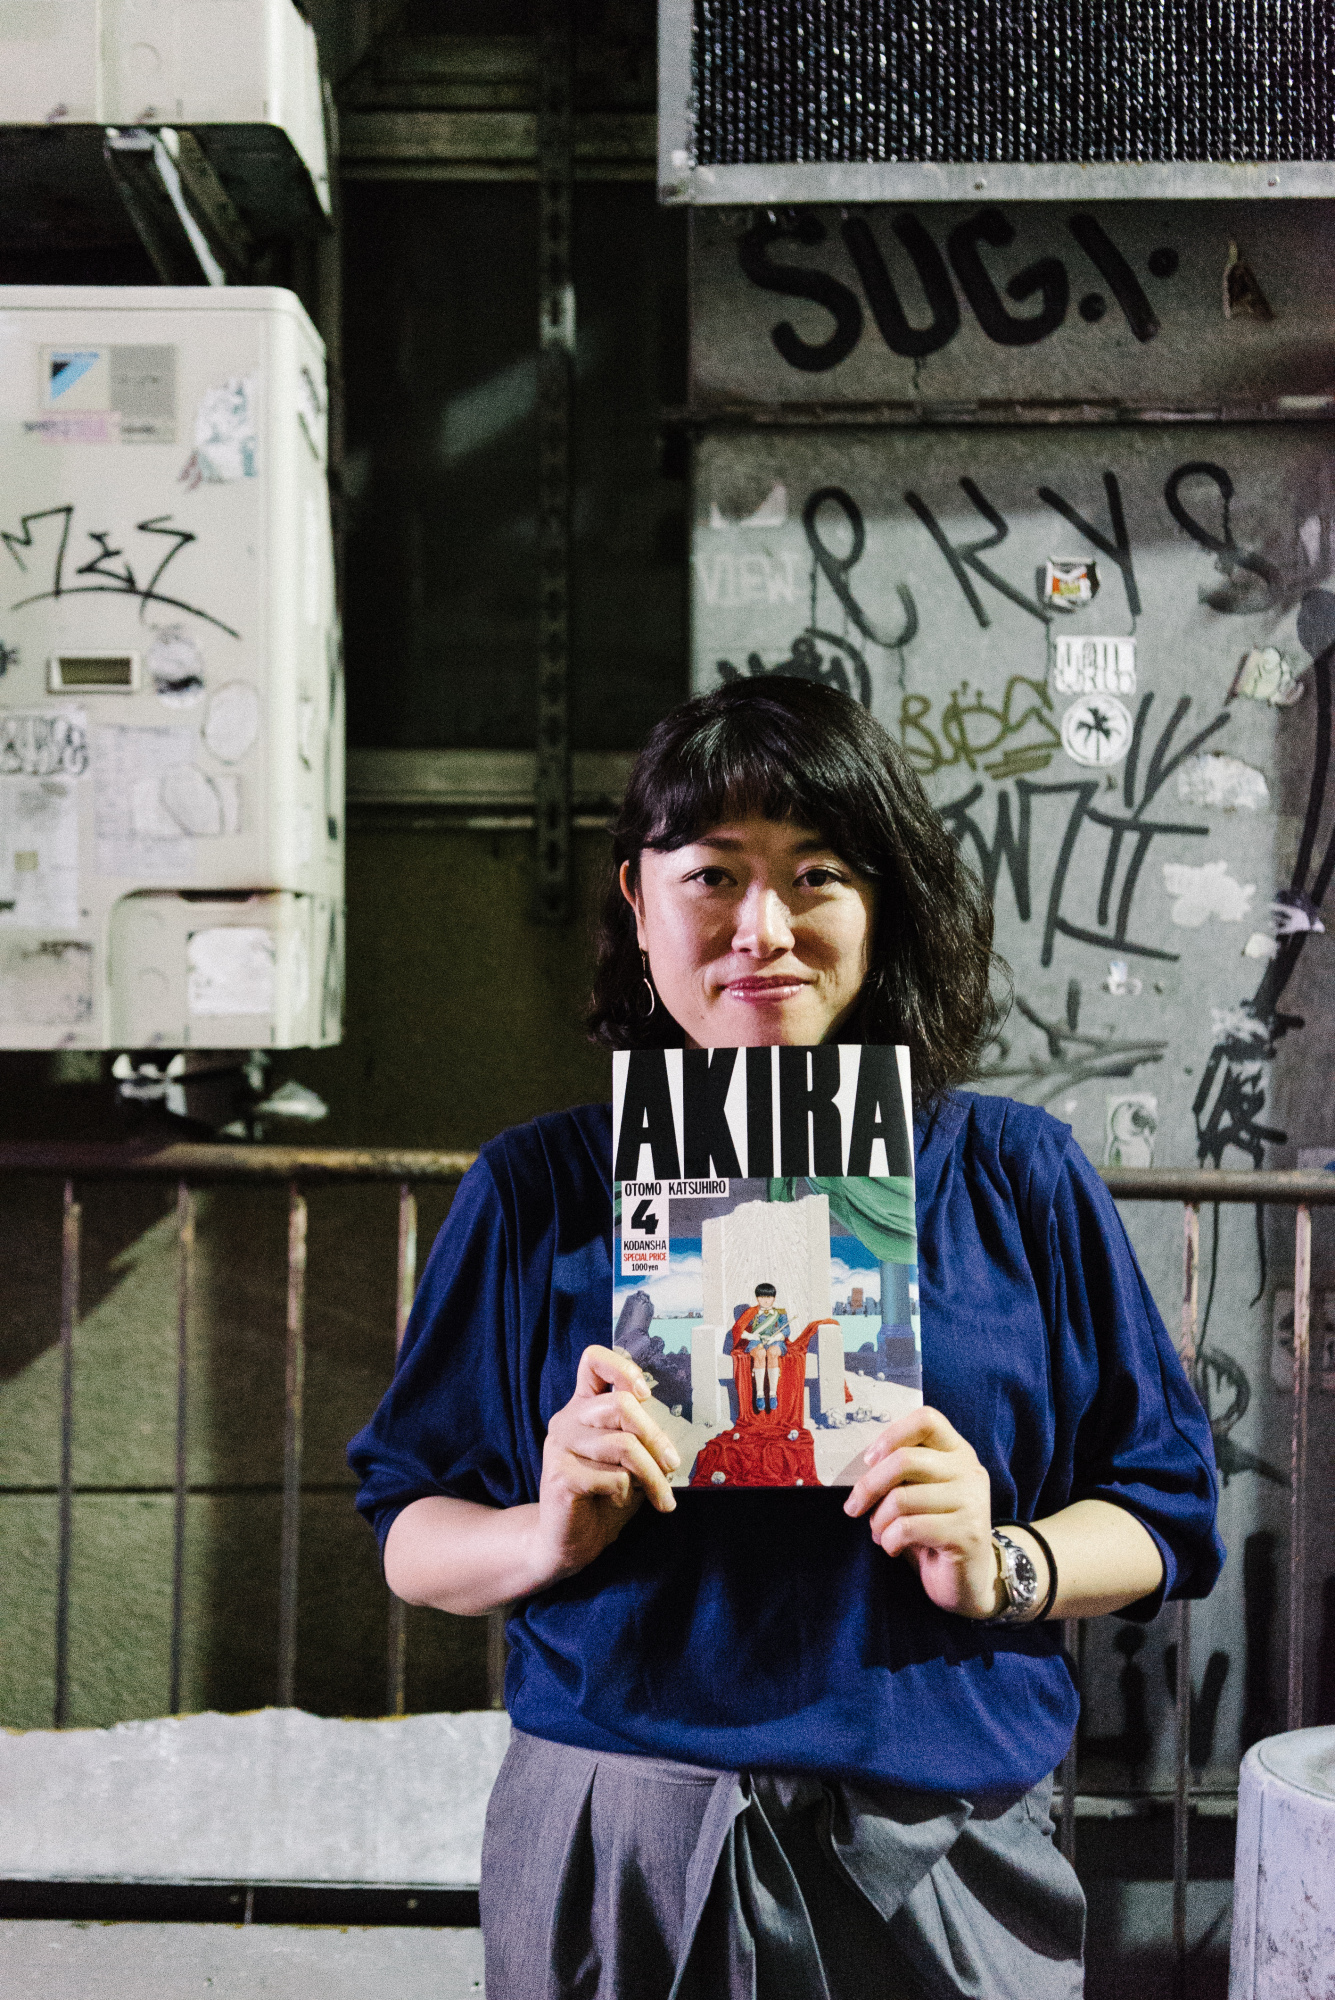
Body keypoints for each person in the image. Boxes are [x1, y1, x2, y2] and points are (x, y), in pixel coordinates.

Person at [348, 676, 1223, 2000]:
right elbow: (408, 1520)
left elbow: (1163, 1510)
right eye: (712, 875)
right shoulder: (537, 1189)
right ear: (637, 901)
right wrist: (540, 1535)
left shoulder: (1013, 1174)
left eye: (816, 875)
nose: (762, 928)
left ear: (881, 907)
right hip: (622, 1843)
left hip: (938, 1846)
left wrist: (1001, 1560)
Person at [735, 1282, 791, 1414]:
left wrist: (775, 1338)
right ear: (757, 1298)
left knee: (772, 1352)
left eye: (769, 1297)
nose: (766, 1300)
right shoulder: (752, 1313)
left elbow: (786, 1330)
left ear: (774, 1298)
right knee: (760, 1354)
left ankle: (772, 1394)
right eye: (762, 1297)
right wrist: (751, 1336)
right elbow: (739, 1329)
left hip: (775, 1341)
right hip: (756, 1342)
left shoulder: (780, 1313)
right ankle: (760, 1394)